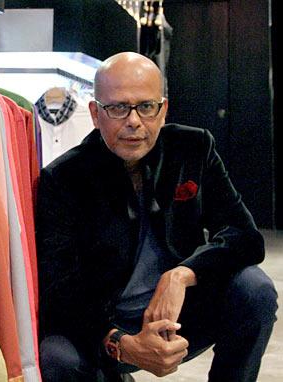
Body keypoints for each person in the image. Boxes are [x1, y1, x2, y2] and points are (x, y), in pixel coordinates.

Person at [36, 52, 278, 381]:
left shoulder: (193, 148)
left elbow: (245, 236)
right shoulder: (63, 178)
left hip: (180, 311)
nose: (133, 121)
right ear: (95, 113)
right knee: (55, 358)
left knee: (255, 290)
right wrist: (118, 342)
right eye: (118, 108)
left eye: (146, 107)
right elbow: (61, 289)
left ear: (163, 110)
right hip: (108, 319)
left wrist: (181, 275)